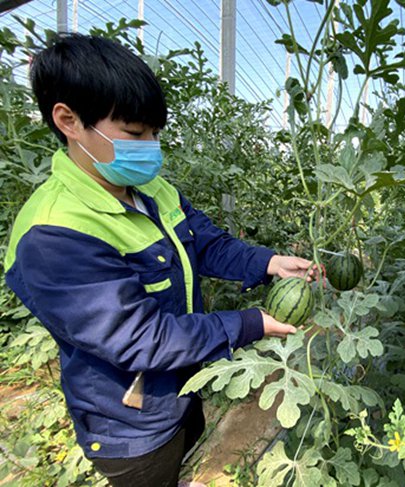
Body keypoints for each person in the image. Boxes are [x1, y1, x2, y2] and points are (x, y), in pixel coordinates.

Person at [3, 33, 318, 486]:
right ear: (69, 120)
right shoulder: (53, 233)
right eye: (134, 134)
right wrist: (249, 324)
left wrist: (269, 263)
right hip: (129, 423)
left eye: (154, 134)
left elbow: (206, 243)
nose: (150, 147)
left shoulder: (151, 190)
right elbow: (139, 337)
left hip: (181, 387)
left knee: (186, 450)